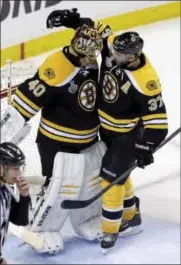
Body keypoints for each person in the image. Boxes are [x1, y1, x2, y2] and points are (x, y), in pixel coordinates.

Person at [46, 8, 169, 252]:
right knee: (120, 173)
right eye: (112, 51)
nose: (110, 55)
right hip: (106, 129)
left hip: (128, 134)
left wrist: (145, 147)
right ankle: (132, 215)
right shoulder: (115, 49)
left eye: (118, 55)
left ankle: (110, 231)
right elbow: (97, 29)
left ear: (133, 57)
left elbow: (158, 122)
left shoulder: (146, 80)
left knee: (110, 179)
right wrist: (74, 22)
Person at [1, 24, 107, 253]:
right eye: (83, 47)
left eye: (92, 49)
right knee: (61, 186)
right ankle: (41, 230)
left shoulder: (89, 61)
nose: (87, 53)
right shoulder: (57, 66)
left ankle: (86, 219)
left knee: (90, 183)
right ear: (74, 42)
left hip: (88, 139)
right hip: (58, 142)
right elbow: (27, 99)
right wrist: (5, 134)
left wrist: (77, 20)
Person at [0, 142, 30, 264]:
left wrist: (24, 196)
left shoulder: (6, 190)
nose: (19, 174)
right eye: (15, 168)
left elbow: (20, 220)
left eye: (20, 168)